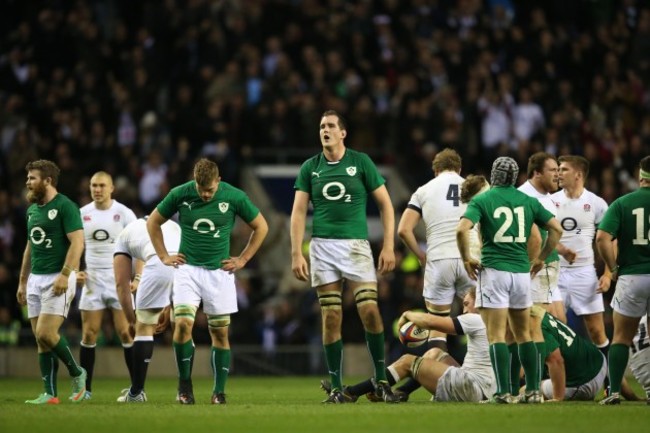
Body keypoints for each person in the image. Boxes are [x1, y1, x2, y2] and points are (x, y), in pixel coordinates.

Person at [290, 110, 397, 403]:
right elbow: (298, 213)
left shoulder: (360, 162)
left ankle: (381, 381)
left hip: (356, 246)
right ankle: (336, 388)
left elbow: (386, 205)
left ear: (342, 133)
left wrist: (388, 246)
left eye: (330, 126)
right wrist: (297, 252)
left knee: (370, 311)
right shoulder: (310, 167)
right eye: (322, 126)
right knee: (331, 315)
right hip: (322, 247)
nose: (325, 130)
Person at [147, 158, 268, 405]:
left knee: (220, 333)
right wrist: (163, 255)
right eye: (201, 189)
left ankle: (218, 392)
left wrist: (243, 259)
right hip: (187, 269)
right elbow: (153, 222)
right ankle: (184, 385)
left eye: (210, 190)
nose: (204, 194)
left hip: (219, 272)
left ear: (219, 181)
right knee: (181, 325)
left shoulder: (234, 196)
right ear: (195, 181)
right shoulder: (180, 194)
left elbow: (261, 226)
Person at [456, 156, 562, 403]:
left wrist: (466, 259)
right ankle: (534, 391)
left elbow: (462, 229)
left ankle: (503, 392)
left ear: (494, 175)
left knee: (497, 336)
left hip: (494, 272)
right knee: (524, 334)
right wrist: (541, 258)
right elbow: (556, 229)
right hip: (522, 274)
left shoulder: (483, 199)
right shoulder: (527, 200)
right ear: (515, 178)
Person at [321, 289, 496, 403]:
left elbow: (431, 321)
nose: (464, 310)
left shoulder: (476, 318)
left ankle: (350, 392)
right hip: (483, 388)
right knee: (434, 353)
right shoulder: (497, 321)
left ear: (479, 301)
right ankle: (402, 392)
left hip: (471, 386)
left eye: (467, 304)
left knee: (407, 361)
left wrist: (407, 314)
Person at [15, 160, 87, 404]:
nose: (28, 182)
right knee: (40, 338)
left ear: (48, 181)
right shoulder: (32, 210)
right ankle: (50, 394)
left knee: (46, 332)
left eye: (32, 178)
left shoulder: (66, 206)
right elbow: (29, 247)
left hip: (59, 277)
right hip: (36, 278)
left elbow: (78, 243)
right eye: (28, 178)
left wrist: (66, 275)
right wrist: (23, 281)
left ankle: (77, 373)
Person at [397, 148, 479, 351]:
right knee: (478, 320)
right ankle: (481, 371)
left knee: (437, 322)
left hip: (439, 259)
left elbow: (404, 230)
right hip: (470, 259)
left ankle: (437, 376)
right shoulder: (475, 189)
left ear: (435, 171)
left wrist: (420, 255)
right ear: (459, 169)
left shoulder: (424, 190)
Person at [77, 171, 137, 400]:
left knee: (125, 332)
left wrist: (136, 276)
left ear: (112, 188)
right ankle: (85, 390)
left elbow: (138, 244)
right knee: (89, 333)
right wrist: (74, 271)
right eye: (93, 185)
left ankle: (136, 389)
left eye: (102, 185)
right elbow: (73, 245)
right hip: (92, 280)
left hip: (117, 280)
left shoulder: (124, 213)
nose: (97, 189)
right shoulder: (82, 214)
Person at [596, 155, 650, 405]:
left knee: (620, 337)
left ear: (641, 177)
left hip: (632, 277)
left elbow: (602, 238)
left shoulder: (622, 203)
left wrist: (613, 267)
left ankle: (614, 392)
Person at [114, 217, 181, 402]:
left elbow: (121, 284)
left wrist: (131, 321)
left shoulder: (124, 235)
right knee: (182, 327)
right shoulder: (174, 225)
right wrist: (167, 307)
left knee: (143, 327)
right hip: (185, 265)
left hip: (160, 263)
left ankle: (136, 393)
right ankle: (184, 392)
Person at [551, 155, 611, 360]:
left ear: (578, 175)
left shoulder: (596, 203)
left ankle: (609, 385)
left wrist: (608, 274)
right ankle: (554, 382)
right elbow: (540, 235)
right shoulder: (551, 201)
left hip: (585, 272)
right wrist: (561, 250)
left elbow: (611, 239)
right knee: (553, 329)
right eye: (558, 169)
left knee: (597, 332)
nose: (558, 173)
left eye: (564, 169)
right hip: (555, 273)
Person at [517, 152, 565, 321]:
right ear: (537, 173)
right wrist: (536, 260)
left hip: (549, 263)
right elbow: (531, 237)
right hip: (535, 267)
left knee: (560, 321)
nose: (558, 175)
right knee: (541, 322)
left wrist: (564, 250)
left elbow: (547, 235)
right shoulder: (522, 196)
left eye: (558, 170)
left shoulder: (548, 198)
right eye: (552, 170)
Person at [533, 307, 607, 401]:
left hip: (581, 382)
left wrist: (557, 398)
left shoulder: (534, 326)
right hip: (600, 360)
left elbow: (556, 360)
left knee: (527, 389)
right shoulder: (540, 314)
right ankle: (619, 391)